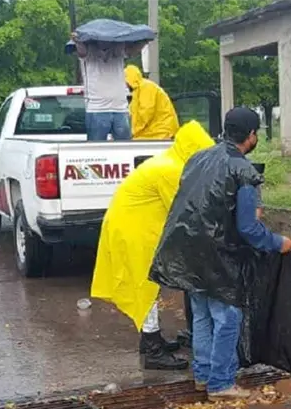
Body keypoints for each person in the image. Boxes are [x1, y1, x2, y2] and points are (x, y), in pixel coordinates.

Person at [150, 107, 291, 399]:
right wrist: (280, 242)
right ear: (252, 136)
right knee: (227, 317)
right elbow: (249, 229)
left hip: (188, 251)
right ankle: (220, 383)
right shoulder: (243, 170)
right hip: (219, 256)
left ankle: (202, 377)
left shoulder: (198, 158)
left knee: (202, 315)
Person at [91, 121, 215, 371]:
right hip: (134, 232)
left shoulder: (169, 160)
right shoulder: (171, 170)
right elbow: (184, 212)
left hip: (132, 226)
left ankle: (152, 340)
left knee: (148, 286)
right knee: (145, 287)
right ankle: (153, 351)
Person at [71, 34, 146, 141]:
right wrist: (77, 41)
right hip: (97, 108)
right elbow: (82, 52)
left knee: (125, 151)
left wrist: (144, 41)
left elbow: (131, 52)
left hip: (120, 108)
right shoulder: (89, 50)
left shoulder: (118, 48)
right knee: (97, 152)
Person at [124, 65, 179, 140]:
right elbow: (133, 113)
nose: (124, 84)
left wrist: (133, 131)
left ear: (129, 79)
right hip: (153, 131)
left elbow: (146, 111)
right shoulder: (138, 90)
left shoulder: (146, 87)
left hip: (161, 131)